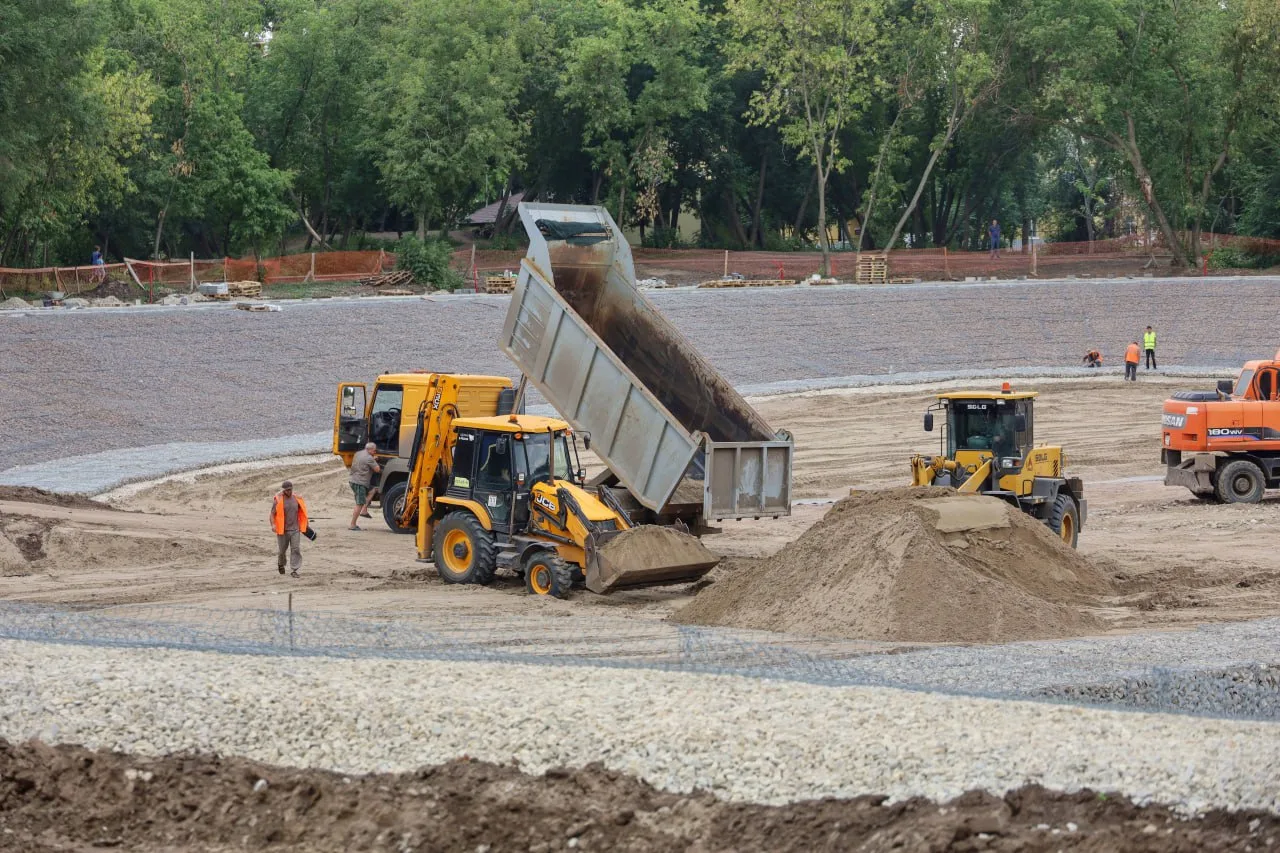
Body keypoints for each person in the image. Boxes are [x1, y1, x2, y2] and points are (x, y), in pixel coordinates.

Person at [269, 480, 308, 577]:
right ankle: (281, 563)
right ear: (283, 490)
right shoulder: (278, 500)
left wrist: (305, 523)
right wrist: (273, 525)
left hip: (295, 529)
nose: (289, 492)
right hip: (283, 530)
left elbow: (302, 512)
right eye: (286, 490)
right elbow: (272, 514)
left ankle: (294, 570)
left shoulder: (297, 499)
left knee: (295, 549)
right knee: (282, 550)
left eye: (290, 490)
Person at [349, 442, 381, 531]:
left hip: (352, 480)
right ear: (370, 449)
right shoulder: (369, 458)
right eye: (374, 450)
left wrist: (372, 458)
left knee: (372, 490)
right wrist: (374, 461)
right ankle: (352, 525)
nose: (375, 452)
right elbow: (377, 469)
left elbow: (363, 461)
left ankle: (364, 510)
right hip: (360, 483)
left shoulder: (358, 453)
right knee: (359, 503)